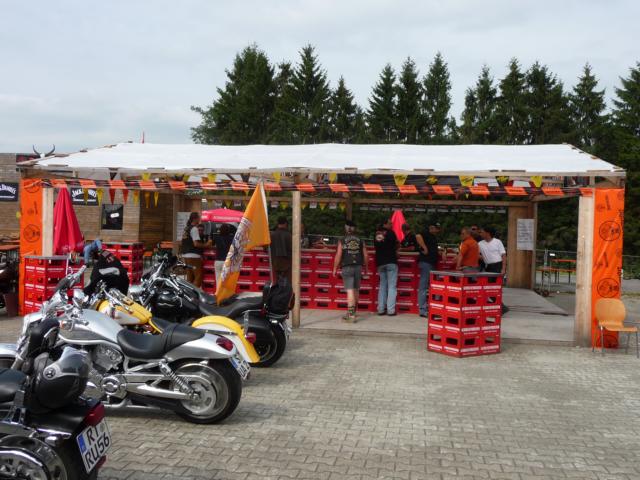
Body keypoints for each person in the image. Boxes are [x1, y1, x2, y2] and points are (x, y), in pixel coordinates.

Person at [332, 220, 369, 322]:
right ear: (354, 229)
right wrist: (366, 268)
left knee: (350, 290)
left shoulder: (342, 240)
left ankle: (351, 316)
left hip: (347, 266)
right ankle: (353, 312)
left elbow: (338, 255)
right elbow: (366, 255)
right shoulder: (361, 240)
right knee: (356, 289)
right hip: (358, 267)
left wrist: (334, 268)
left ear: (346, 228)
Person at [479, 226, 509, 314]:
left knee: (494, 288)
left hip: (497, 266)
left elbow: (503, 255)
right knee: (488, 288)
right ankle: (500, 307)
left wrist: (503, 268)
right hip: (488, 267)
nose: (480, 234)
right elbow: (476, 254)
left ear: (487, 233)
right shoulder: (480, 243)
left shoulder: (497, 242)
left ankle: (500, 307)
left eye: (482, 232)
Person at [415, 221, 441, 318]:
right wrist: (424, 247)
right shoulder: (426, 233)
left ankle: (433, 309)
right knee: (423, 286)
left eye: (438, 229)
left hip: (431, 263)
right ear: (431, 227)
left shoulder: (433, 237)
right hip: (426, 263)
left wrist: (441, 252)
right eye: (436, 228)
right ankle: (423, 310)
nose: (438, 230)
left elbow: (434, 249)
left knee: (433, 287)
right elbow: (417, 236)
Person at [374, 219, 399, 316]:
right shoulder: (391, 233)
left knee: (382, 286)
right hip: (391, 261)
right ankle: (391, 310)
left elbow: (376, 246)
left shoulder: (377, 233)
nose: (391, 225)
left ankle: (380, 309)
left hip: (380, 262)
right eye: (390, 223)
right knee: (392, 286)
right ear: (385, 224)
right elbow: (396, 245)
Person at [181, 212, 212, 287]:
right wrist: (207, 245)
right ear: (195, 219)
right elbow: (196, 244)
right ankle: (195, 293)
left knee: (190, 277)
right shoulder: (194, 229)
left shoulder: (186, 228)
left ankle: (188, 292)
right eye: (199, 218)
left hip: (185, 255)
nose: (200, 219)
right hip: (193, 256)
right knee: (198, 276)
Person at [270, 216, 292, 284]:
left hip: (275, 262)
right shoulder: (289, 235)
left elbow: (266, 248)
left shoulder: (272, 234)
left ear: (278, 224)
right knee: (286, 282)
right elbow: (292, 248)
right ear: (285, 224)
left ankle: (278, 290)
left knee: (276, 281)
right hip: (286, 263)